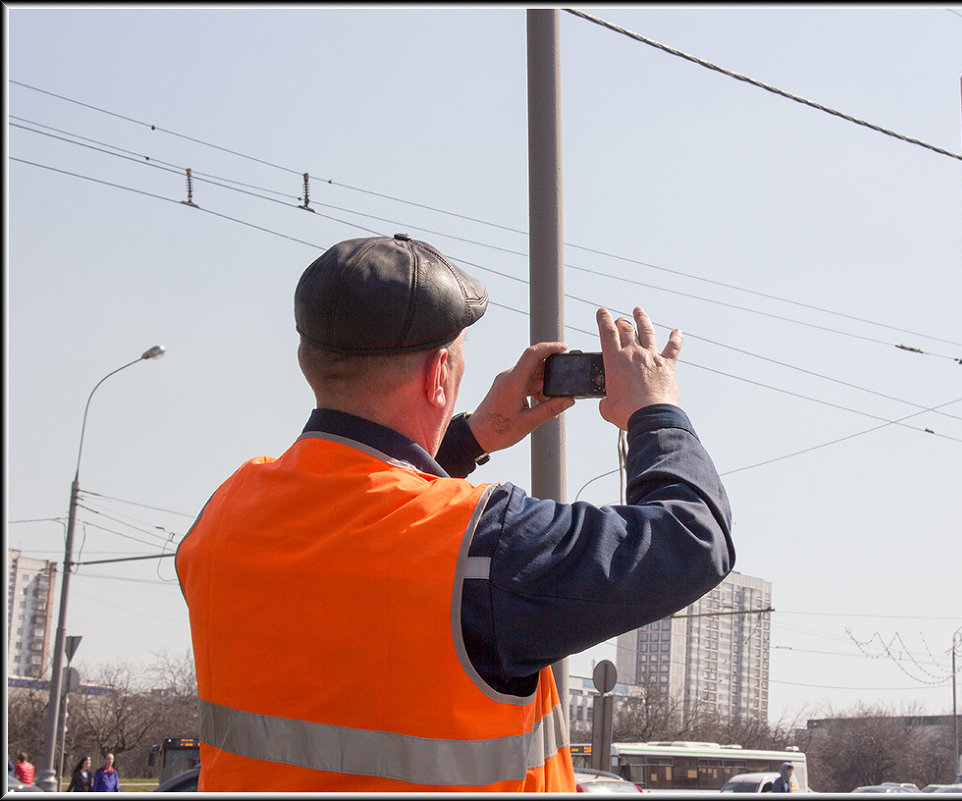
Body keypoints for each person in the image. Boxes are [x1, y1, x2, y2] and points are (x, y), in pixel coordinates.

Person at [176, 235, 734, 792]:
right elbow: (692, 538)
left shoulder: (226, 514)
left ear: (307, 359)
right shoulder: (487, 544)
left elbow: (362, 525)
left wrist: (469, 438)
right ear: (439, 375)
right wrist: (656, 410)